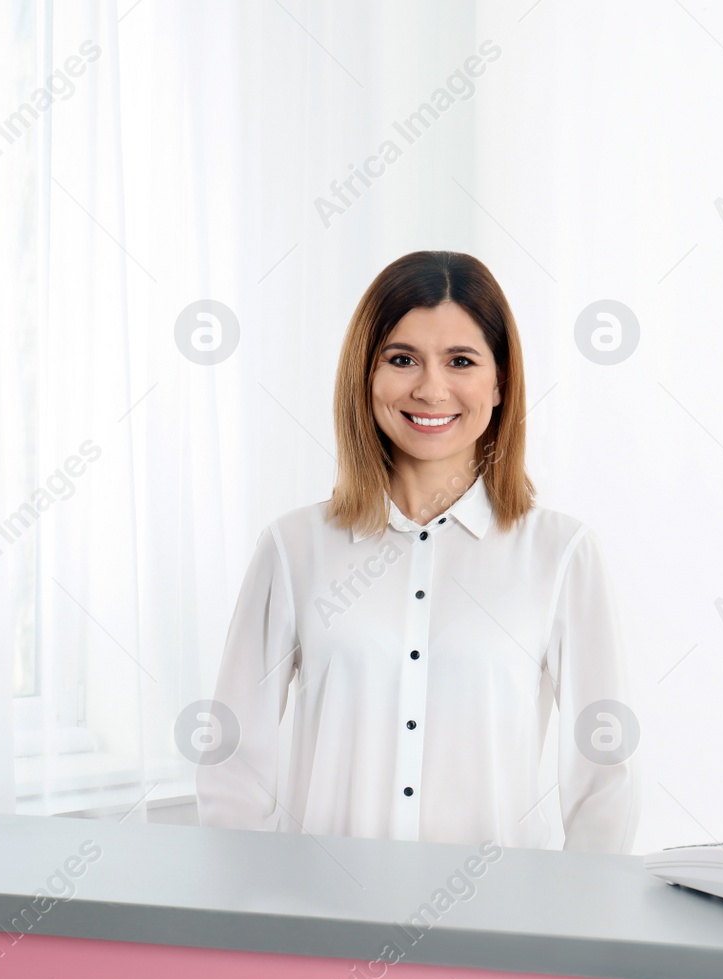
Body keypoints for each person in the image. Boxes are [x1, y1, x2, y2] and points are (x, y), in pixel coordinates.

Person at [195, 250, 640, 852]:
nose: (431, 389)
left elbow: (603, 780)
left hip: (498, 927)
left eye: (461, 361)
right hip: (323, 921)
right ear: (366, 376)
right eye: (402, 359)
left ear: (500, 381)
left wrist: (575, 930)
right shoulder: (293, 548)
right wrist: (252, 921)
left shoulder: (561, 554)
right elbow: (234, 764)